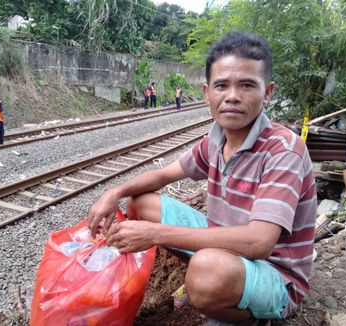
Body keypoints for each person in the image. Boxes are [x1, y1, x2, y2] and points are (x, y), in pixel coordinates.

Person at [86, 30, 316, 326]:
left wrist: (154, 235)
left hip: (276, 275)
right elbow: (163, 175)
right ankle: (213, 283)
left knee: (206, 271)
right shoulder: (215, 141)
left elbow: (259, 243)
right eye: (222, 85)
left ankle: (245, 316)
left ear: (268, 91)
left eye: (247, 85)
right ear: (207, 92)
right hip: (228, 247)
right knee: (142, 204)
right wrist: (114, 192)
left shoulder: (283, 151)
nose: (232, 96)